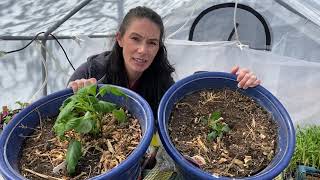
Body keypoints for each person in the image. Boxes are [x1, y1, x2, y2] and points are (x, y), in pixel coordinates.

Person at [68, 6, 261, 118]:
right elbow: (62, 124)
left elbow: (187, 109)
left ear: (158, 47)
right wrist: (78, 98)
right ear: (119, 39)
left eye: (152, 43)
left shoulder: (162, 81)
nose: (143, 50)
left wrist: (234, 85)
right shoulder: (91, 72)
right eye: (135, 39)